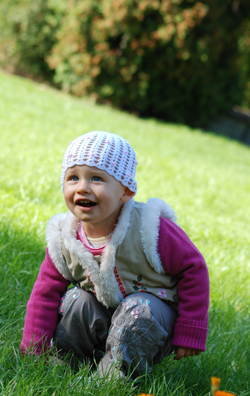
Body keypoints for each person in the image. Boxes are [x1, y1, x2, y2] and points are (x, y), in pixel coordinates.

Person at [21, 130, 209, 378]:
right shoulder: (64, 238)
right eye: (73, 177)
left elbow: (194, 268)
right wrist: (34, 348)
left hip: (150, 320)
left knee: (138, 307)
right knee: (75, 300)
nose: (83, 188)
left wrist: (190, 329)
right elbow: (45, 292)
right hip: (101, 315)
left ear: (126, 191)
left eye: (96, 178)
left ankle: (111, 380)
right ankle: (66, 368)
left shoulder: (150, 230)